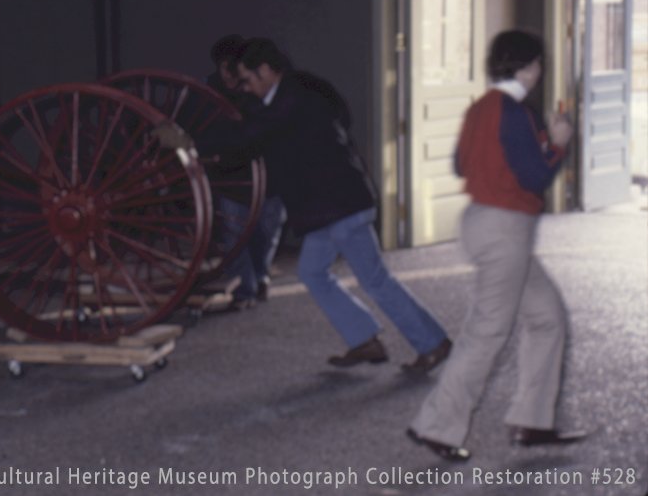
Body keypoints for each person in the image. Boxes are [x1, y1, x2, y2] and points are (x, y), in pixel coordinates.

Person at [165, 38, 451, 372]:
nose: (247, 87)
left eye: (249, 79)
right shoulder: (293, 93)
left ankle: (432, 343)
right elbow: (251, 133)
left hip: (339, 204)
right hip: (326, 206)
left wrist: (190, 142)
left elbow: (251, 134)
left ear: (268, 70)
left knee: (374, 279)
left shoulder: (292, 98)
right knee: (313, 273)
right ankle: (364, 340)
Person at [407, 30, 585, 462]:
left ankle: (532, 420)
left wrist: (532, 150)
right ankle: (435, 427)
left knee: (547, 318)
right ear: (528, 67)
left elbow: (459, 163)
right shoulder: (517, 112)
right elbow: (535, 177)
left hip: (482, 221)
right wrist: (559, 143)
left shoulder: (480, 108)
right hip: (506, 228)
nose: (539, 73)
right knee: (487, 331)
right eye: (537, 65)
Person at [204, 34, 285, 307]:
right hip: (230, 178)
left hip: (269, 178)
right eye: (222, 67)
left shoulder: (260, 93)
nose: (227, 74)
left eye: (232, 66)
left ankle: (260, 276)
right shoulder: (208, 95)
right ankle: (245, 289)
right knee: (234, 238)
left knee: (265, 233)